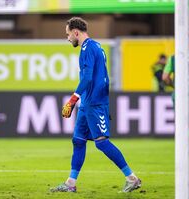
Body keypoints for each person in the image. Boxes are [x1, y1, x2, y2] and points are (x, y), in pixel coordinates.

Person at [50, 17, 141, 193]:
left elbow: (87, 78)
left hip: (93, 103)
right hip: (88, 102)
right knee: (78, 140)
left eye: (68, 34)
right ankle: (70, 183)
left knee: (101, 143)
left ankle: (132, 178)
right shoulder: (96, 46)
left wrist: (72, 100)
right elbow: (104, 78)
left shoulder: (87, 48)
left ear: (76, 32)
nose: (68, 38)